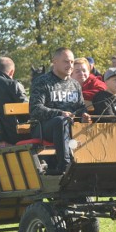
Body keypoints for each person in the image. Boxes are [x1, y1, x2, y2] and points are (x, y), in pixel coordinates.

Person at [29, 47, 91, 176]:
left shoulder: (75, 84)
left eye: (72, 62)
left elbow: (80, 107)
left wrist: (84, 114)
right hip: (43, 128)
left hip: (69, 126)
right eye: (66, 62)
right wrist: (59, 113)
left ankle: (89, 165)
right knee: (60, 121)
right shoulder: (42, 82)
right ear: (54, 62)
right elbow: (35, 109)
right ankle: (65, 166)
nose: (70, 65)